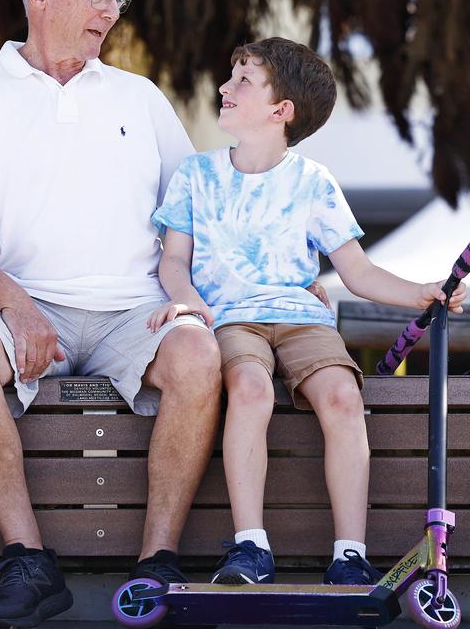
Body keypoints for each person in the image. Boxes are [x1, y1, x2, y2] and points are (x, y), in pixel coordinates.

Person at [0, 0, 222, 629]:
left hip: (132, 310)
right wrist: (17, 306)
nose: (110, 12)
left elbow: (197, 212)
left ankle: (158, 566)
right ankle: (30, 560)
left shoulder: (140, 97)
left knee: (198, 353)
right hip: (24, 304)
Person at [150, 36, 468, 586]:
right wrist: (190, 303)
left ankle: (350, 553)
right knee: (248, 388)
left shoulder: (313, 181)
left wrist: (421, 291)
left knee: (344, 396)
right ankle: (250, 546)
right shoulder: (195, 176)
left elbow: (358, 273)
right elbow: (173, 260)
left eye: (242, 81)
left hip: (303, 317)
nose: (224, 88)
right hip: (227, 317)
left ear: (281, 111)